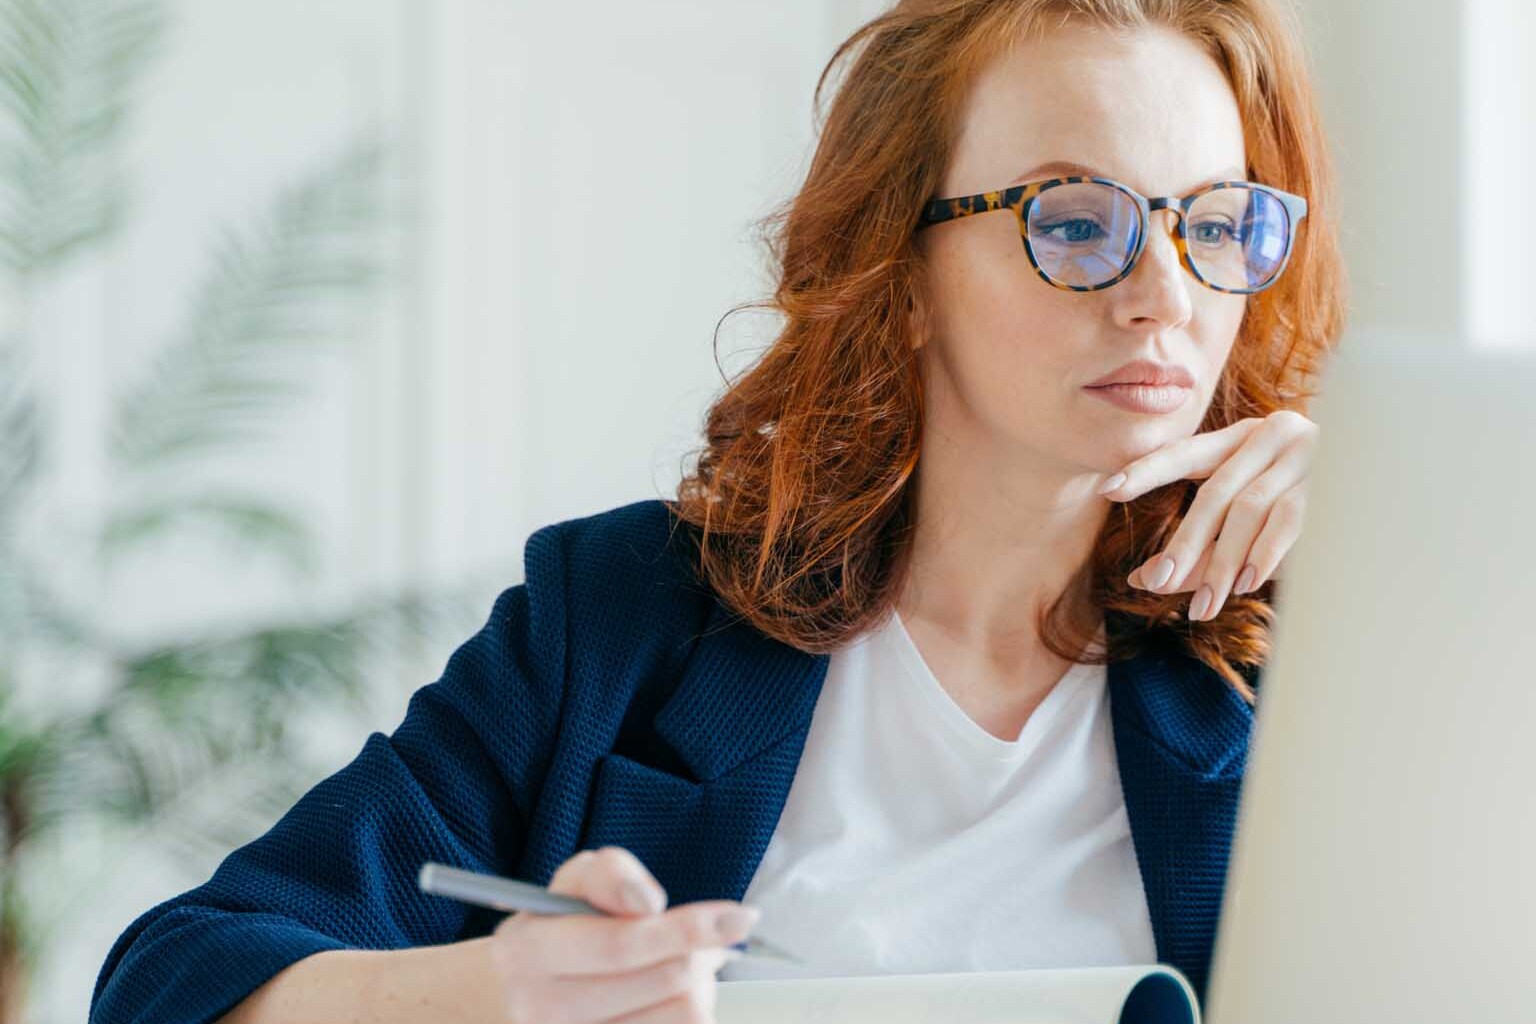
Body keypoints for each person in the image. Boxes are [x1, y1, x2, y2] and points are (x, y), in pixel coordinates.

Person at [88, 0, 1344, 1021]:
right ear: (897, 274)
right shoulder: (627, 617)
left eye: (1218, 224)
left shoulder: (1322, 640)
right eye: (1075, 224)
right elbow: (168, 982)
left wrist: (1385, 562)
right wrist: (490, 994)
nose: (1165, 296)